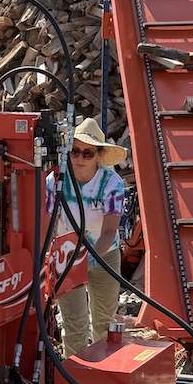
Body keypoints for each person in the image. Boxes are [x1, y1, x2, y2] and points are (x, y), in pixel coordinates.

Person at [49, 117, 127, 357]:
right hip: (66, 257)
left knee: (104, 320)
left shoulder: (111, 183)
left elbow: (109, 231)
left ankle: (103, 372)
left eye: (87, 153)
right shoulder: (56, 181)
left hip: (104, 255)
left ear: (98, 156)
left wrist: (88, 260)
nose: (80, 158)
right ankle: (76, 377)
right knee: (74, 323)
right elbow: (49, 225)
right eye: (75, 152)